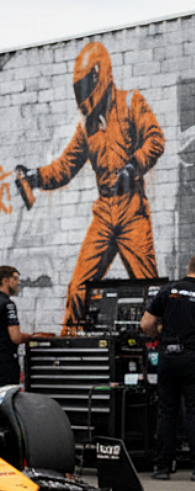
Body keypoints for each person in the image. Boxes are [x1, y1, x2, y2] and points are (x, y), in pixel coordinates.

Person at [16, 41, 164, 333]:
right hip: (104, 211)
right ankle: (70, 354)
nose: (82, 95)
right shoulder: (87, 128)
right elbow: (65, 167)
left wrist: (134, 166)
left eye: (85, 85)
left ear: (100, 75)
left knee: (151, 290)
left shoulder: (130, 102)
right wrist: (35, 177)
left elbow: (154, 139)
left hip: (132, 209)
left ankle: (160, 350)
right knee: (78, 289)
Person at [139, 255, 195, 481]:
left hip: (169, 356)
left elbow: (145, 324)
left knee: (167, 412)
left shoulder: (168, 291)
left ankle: (162, 467)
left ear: (189, 269)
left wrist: (162, 334)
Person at [0, 267, 44, 387]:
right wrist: (32, 337)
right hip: (4, 363)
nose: (17, 283)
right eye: (15, 279)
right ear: (5, 280)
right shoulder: (7, 304)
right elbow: (16, 337)